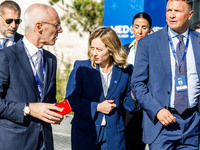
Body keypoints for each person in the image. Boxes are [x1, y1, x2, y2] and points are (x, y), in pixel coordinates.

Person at [132, 0, 200, 149]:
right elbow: (137, 84)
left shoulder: (197, 42)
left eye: (177, 11)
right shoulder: (148, 43)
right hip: (161, 124)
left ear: (190, 15)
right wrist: (157, 110)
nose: (172, 16)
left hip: (192, 125)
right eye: (169, 10)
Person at [0, 3, 64, 150]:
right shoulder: (6, 57)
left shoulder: (50, 59)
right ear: (39, 27)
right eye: (57, 25)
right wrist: (28, 109)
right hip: (15, 143)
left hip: (44, 142)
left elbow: (48, 99)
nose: (60, 30)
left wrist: (54, 112)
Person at [65, 27, 137, 150]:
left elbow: (129, 105)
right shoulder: (81, 67)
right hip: (85, 133)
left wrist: (135, 96)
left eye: (99, 49)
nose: (94, 53)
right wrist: (97, 107)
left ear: (111, 49)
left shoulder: (126, 71)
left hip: (113, 135)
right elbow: (71, 101)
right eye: (92, 48)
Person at [122, 12, 152, 150]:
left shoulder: (154, 51)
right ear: (131, 28)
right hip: (125, 105)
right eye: (136, 26)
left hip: (146, 104)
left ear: (150, 29)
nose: (139, 31)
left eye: (144, 27)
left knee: (138, 143)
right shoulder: (123, 50)